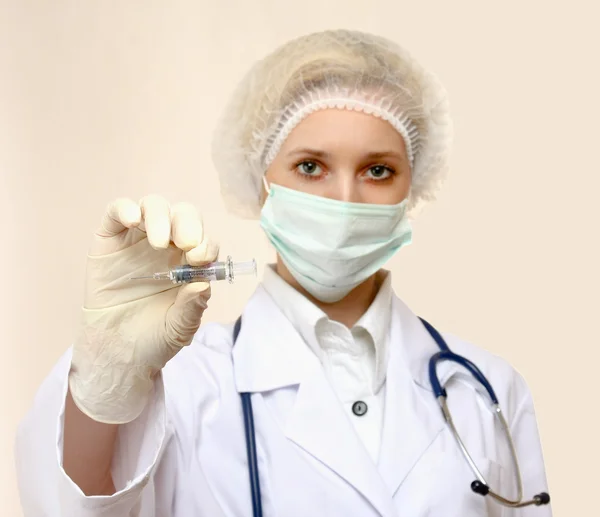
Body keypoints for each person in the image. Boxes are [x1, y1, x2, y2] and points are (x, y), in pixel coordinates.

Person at [14, 29, 552, 517]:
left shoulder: (486, 390)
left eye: (378, 170)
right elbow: (70, 507)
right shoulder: (182, 382)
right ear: (259, 177)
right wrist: (105, 390)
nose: (344, 200)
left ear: (412, 188)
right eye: (311, 166)